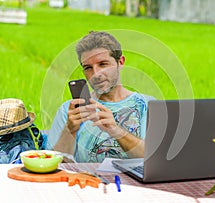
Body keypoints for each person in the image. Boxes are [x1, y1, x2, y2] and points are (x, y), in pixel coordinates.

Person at [47, 31, 155, 163]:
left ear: (120, 62)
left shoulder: (148, 105)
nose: (96, 74)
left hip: (134, 183)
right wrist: (70, 130)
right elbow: (56, 165)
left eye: (103, 64)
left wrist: (116, 130)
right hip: (87, 181)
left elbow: (156, 159)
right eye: (88, 68)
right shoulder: (69, 111)